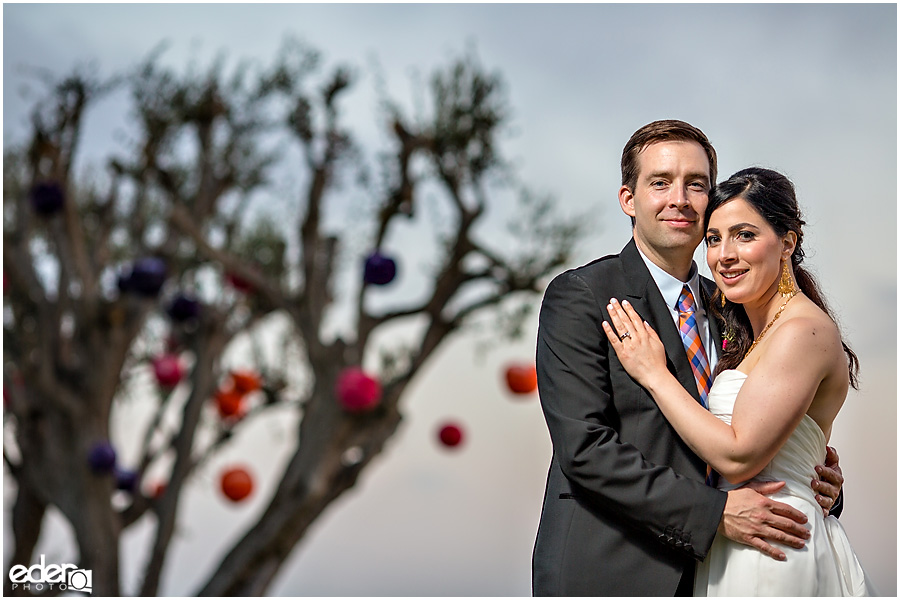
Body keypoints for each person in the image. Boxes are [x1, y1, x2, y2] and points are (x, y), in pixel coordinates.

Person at [531, 120, 844, 596]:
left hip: (724, 572)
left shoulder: (734, 309)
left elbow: (763, 430)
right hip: (610, 570)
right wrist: (713, 514)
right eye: (660, 183)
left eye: (696, 185)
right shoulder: (584, 297)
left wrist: (818, 482)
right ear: (628, 199)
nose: (679, 198)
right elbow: (585, 449)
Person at [601, 167, 873, 595]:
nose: (724, 254)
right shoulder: (745, 328)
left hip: (775, 545)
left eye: (744, 235)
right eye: (713, 238)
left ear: (787, 241)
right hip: (729, 543)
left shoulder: (803, 331)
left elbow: (739, 455)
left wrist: (654, 374)